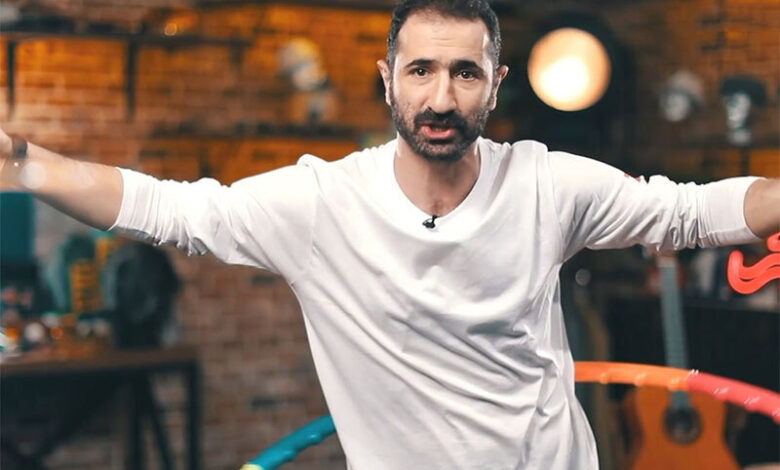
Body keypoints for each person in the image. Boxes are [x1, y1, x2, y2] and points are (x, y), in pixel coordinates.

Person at [1, 0, 778, 468]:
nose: (440, 98)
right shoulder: (319, 203)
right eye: (420, 71)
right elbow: (169, 209)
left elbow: (689, 211)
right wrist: (28, 163)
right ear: (388, 79)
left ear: (496, 84)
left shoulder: (547, 184)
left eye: (465, 73)